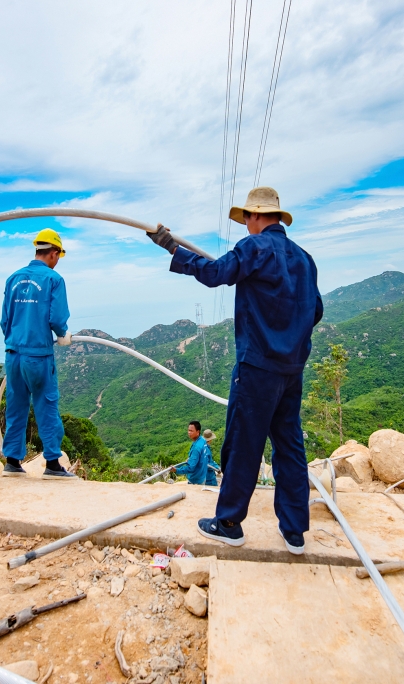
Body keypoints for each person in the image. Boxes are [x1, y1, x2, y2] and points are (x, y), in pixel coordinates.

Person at [148, 187, 323, 555]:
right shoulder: (305, 259)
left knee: (244, 443)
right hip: (292, 370)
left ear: (257, 216)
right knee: (289, 446)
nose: (245, 224)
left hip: (258, 367)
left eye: (246, 217)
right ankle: (294, 531)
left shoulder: (255, 248)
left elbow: (214, 273)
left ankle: (228, 523)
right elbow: (316, 311)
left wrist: (172, 249)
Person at [0, 228, 77, 479]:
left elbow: (5, 321)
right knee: (46, 404)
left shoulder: (13, 279)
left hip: (13, 354)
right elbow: (56, 318)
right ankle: (53, 464)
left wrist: (17, 340)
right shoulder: (53, 279)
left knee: (15, 406)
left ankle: (12, 462)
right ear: (54, 253)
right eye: (58, 256)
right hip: (38, 355)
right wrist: (63, 333)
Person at [174, 420, 219, 486]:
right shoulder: (202, 441)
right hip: (202, 477)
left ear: (198, 432)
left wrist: (177, 470)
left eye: (191, 431)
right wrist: (191, 458)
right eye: (188, 430)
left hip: (196, 480)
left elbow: (190, 468)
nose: (189, 433)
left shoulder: (197, 447)